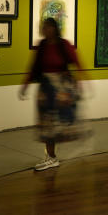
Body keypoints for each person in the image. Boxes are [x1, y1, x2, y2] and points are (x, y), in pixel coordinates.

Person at [19, 17, 84, 170]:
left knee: (59, 123)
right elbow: (34, 67)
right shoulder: (42, 45)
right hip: (45, 90)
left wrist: (81, 82)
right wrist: (25, 85)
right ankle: (51, 156)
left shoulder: (63, 44)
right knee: (47, 124)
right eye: (44, 27)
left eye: (48, 27)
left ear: (55, 28)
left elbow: (77, 62)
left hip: (61, 89)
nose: (46, 30)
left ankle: (52, 157)